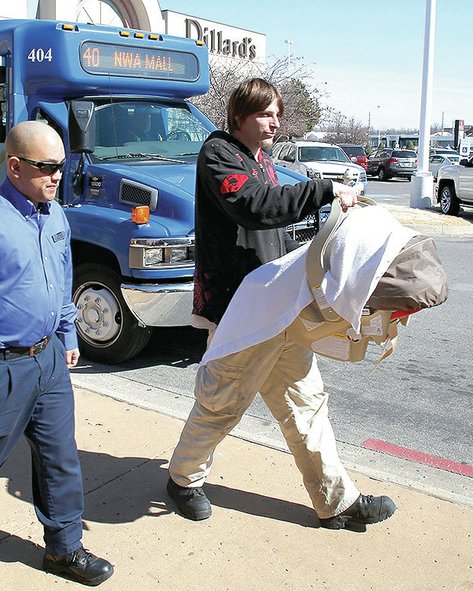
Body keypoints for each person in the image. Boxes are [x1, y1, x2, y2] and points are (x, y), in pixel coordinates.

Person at [165, 78, 397, 531]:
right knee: (221, 403)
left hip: (278, 304)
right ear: (239, 116)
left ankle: (337, 502)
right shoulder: (219, 155)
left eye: (277, 113)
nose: (275, 122)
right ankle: (183, 480)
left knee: (306, 403)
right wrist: (324, 190)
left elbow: (278, 222)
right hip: (240, 309)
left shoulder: (262, 162)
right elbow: (254, 207)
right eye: (264, 114)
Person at [0, 121, 114, 586]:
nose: (56, 176)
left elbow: (63, 278)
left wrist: (68, 332)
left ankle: (64, 549)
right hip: (1, 367)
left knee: (59, 456)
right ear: (14, 166)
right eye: (47, 167)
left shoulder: (55, 215)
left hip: (48, 360)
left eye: (61, 167)